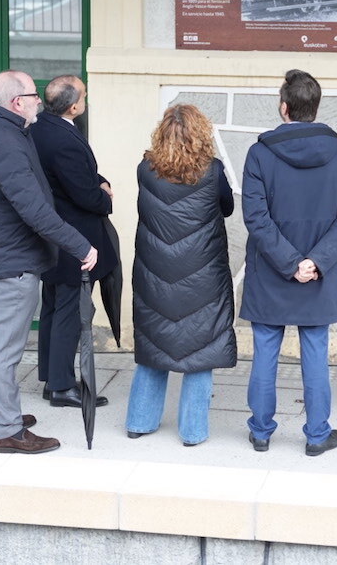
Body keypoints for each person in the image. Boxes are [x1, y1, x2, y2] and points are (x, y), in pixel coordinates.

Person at [0, 70, 97, 454]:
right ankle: (7, 430)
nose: (40, 100)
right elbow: (34, 210)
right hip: (13, 259)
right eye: (33, 95)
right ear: (16, 102)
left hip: (3, 254)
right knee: (5, 349)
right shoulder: (3, 141)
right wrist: (81, 246)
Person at [240, 69, 337, 456]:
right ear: (315, 107)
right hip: (318, 275)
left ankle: (260, 432)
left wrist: (291, 262)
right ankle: (316, 434)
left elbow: (255, 217)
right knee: (315, 353)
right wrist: (314, 262)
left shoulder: (259, 154)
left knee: (265, 352)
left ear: (284, 107)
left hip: (272, 271)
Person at [125, 104, 237, 446]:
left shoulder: (146, 169)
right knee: (202, 347)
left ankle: (140, 421)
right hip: (202, 274)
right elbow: (227, 207)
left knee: (155, 343)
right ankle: (192, 431)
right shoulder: (212, 170)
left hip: (154, 273)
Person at [30, 75, 115, 410]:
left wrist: (99, 180)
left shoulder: (42, 126)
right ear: (74, 105)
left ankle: (53, 378)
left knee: (53, 306)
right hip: (72, 236)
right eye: (84, 94)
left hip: (53, 235)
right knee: (68, 311)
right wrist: (105, 197)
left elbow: (77, 174)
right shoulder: (62, 137)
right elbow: (82, 193)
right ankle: (63, 386)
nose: (86, 98)